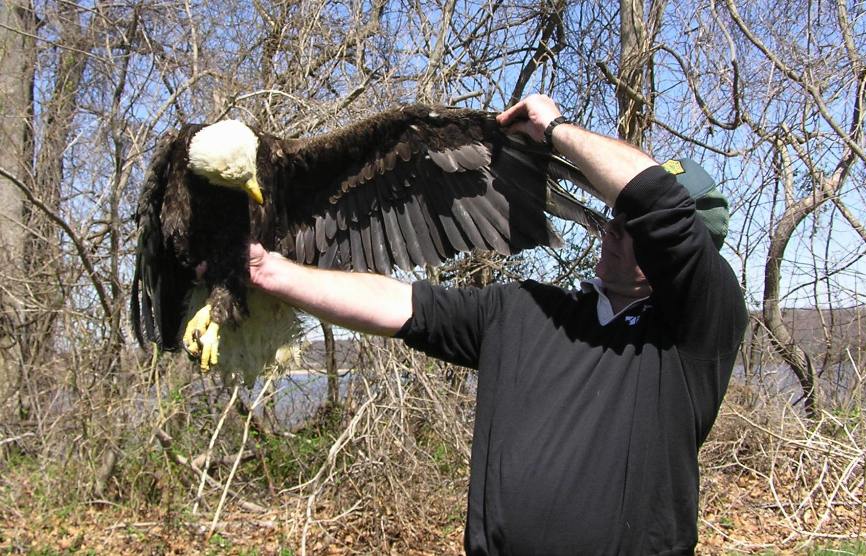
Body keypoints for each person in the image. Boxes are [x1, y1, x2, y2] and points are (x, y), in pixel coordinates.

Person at [247, 94, 748, 555]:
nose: (614, 225)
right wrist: (273, 273)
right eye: (617, 214)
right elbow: (400, 304)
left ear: (683, 255)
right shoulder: (525, 311)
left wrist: (554, 128)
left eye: (635, 225)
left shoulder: (696, 331)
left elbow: (657, 201)